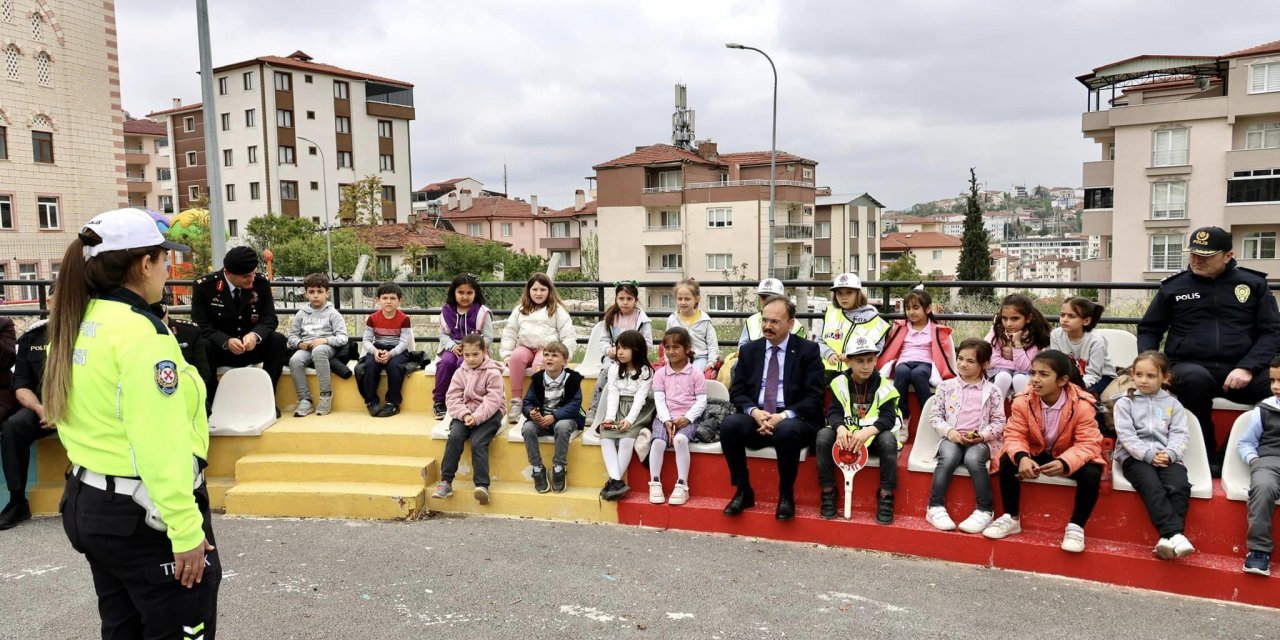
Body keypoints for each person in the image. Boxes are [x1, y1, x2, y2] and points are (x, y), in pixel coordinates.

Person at [44, 209, 219, 637]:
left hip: (92, 503)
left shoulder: (77, 320)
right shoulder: (141, 334)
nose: (167, 270)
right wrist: (185, 529)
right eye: (164, 259)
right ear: (144, 264)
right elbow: (161, 442)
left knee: (123, 629)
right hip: (145, 514)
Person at [1138, 226, 1280, 473]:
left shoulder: (1253, 284)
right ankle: (1207, 455)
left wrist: (1247, 367)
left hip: (1242, 366)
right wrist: (1151, 366)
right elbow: (1150, 328)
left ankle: (1232, 452)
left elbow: (1272, 331)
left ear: (1227, 256)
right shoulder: (1174, 286)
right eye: (1193, 254)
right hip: (1189, 365)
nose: (1196, 260)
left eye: (1205, 255)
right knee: (1194, 380)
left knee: (1273, 389)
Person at [983, 350, 1105, 553]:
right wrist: (1022, 457)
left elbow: (1089, 443)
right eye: (1033, 373)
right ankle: (1011, 517)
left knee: (1092, 472)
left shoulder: (1082, 405)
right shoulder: (1023, 400)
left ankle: (1076, 526)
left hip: (1068, 452)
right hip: (1036, 450)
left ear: (1062, 380)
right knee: (1007, 460)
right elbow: (1014, 434)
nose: (1035, 380)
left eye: (1044, 374)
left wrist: (1065, 462)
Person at [720, 295, 825, 521]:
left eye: (775, 322)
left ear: (791, 322)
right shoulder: (750, 351)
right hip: (758, 416)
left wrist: (783, 416)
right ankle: (743, 490)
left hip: (794, 418)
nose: (767, 326)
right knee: (729, 425)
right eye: (764, 320)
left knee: (787, 430)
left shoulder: (808, 350)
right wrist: (754, 412)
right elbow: (737, 393)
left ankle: (786, 495)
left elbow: (814, 397)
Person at [1113, 351, 1194, 560]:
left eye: (1150, 376)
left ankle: (1166, 540)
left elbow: (1179, 434)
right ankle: (1176, 534)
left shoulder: (1174, 405)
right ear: (1132, 374)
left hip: (1166, 456)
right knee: (1151, 484)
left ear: (1164, 378)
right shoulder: (1124, 402)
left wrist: (1168, 454)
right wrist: (1148, 454)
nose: (1143, 380)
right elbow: (1126, 435)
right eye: (1139, 374)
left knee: (1180, 486)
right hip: (1134, 457)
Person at [191, 245, 288, 414]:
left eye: (253, 273)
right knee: (202, 345)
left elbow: (269, 319)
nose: (251, 280)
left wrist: (255, 335)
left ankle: (268, 399)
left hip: (250, 346)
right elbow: (201, 324)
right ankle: (213, 402)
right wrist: (226, 341)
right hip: (221, 349)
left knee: (277, 340)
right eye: (245, 277)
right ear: (228, 273)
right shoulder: (205, 287)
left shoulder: (260, 283)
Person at [817, 335, 903, 523]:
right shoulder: (839, 383)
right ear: (848, 361)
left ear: (876, 360)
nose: (865, 366)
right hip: (846, 439)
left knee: (889, 440)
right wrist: (839, 429)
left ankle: (886, 496)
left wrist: (867, 432)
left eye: (870, 360)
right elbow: (833, 413)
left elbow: (888, 418)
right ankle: (828, 491)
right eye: (859, 361)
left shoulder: (885, 386)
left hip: (871, 438)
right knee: (823, 435)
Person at [925, 338, 1005, 534]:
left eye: (970, 361)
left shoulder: (993, 391)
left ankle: (985, 510)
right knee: (949, 457)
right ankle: (935, 507)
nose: (962, 364)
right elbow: (935, 415)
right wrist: (949, 432)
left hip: (979, 441)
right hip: (951, 438)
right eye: (960, 358)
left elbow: (999, 421)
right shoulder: (946, 386)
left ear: (984, 364)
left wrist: (983, 436)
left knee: (973, 458)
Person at [434, 334, 506, 504]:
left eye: (475, 354)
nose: (471, 359)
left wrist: (477, 417)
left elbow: (493, 400)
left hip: (489, 414)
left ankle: (482, 486)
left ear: (484, 352)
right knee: (454, 437)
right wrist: (465, 415)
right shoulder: (460, 372)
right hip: (465, 413)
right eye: (467, 355)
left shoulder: (493, 372)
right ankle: (446, 481)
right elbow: (452, 397)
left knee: (478, 442)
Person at [0, 303, 52, 530]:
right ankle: (18, 501)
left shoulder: (89, 334)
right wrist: (40, 409)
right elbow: (21, 384)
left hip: (80, 407)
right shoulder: (34, 336)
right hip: (41, 407)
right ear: (49, 304)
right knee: (13, 427)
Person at [501, 273, 577, 423]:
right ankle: (517, 401)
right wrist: (506, 354)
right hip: (525, 347)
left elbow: (568, 335)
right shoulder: (520, 310)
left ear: (549, 290)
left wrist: (566, 356)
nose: (538, 293)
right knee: (515, 358)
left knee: (540, 364)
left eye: (542, 289)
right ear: (528, 291)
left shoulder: (556, 310)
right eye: (535, 289)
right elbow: (510, 332)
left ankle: (539, 402)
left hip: (546, 349)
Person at [877, 286, 955, 423]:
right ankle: (902, 416)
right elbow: (891, 347)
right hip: (904, 361)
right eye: (908, 308)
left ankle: (931, 416)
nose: (911, 312)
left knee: (918, 374)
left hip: (925, 362)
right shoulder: (900, 327)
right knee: (901, 372)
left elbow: (944, 353)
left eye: (916, 307)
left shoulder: (936, 330)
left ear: (928, 309)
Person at [593, 330, 655, 501]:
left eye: (625, 348)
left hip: (638, 411)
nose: (619, 351)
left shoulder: (646, 372)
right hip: (618, 406)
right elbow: (613, 394)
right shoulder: (614, 369)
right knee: (606, 435)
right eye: (618, 347)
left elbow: (640, 399)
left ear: (637, 350)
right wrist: (610, 417)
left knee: (627, 438)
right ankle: (617, 481)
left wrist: (628, 420)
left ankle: (614, 482)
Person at [648, 327, 707, 506]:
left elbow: (701, 401)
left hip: (687, 418)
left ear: (687, 348)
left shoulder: (696, 374)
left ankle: (682, 484)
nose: (671, 351)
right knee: (657, 442)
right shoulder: (660, 374)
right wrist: (666, 420)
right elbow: (659, 400)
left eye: (676, 347)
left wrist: (687, 418)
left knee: (681, 440)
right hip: (664, 418)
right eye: (668, 347)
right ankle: (655, 482)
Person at [519, 341, 584, 494]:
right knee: (527, 428)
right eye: (546, 355)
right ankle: (537, 467)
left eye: (555, 355)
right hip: (542, 420)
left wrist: (555, 416)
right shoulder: (537, 379)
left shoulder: (573, 379)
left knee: (562, 427)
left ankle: (559, 467)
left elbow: (575, 404)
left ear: (565, 361)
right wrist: (531, 413)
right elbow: (527, 402)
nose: (549, 358)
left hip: (565, 419)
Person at [1236, 354, 1280, 576]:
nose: (1275, 387)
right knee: (1262, 489)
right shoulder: (1263, 409)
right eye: (1273, 381)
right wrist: (1254, 461)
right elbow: (1246, 443)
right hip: (1269, 461)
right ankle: (1259, 552)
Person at [586, 281, 652, 423]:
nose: (625, 302)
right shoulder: (611, 317)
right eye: (621, 298)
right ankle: (594, 408)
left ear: (636, 299)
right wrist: (609, 350)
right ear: (616, 299)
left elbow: (648, 344)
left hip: (635, 359)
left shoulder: (642, 319)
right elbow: (603, 341)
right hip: (614, 357)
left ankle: (634, 412)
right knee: (606, 372)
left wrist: (634, 353)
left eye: (629, 299)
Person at [286, 273, 348, 417]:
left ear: (327, 293)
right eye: (311, 292)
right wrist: (299, 343)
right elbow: (292, 336)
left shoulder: (333, 314)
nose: (315, 295)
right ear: (306, 294)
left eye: (320, 292)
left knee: (319, 351)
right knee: (295, 360)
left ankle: (326, 394)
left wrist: (325, 340)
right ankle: (305, 400)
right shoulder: (301, 314)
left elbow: (342, 337)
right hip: (307, 347)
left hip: (327, 347)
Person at [434, 273, 493, 420]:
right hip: (453, 347)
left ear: (475, 293)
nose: (464, 296)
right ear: (453, 292)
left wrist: (471, 349)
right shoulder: (447, 311)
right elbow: (443, 334)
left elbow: (488, 337)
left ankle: (464, 400)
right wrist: (452, 346)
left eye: (469, 293)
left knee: (464, 363)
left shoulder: (482, 312)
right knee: (446, 363)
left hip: (475, 351)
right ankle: (440, 401)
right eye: (460, 292)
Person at [814, 273, 889, 383]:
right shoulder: (831, 313)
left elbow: (877, 349)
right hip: (827, 371)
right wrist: (828, 353)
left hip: (857, 374)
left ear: (858, 294)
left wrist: (852, 356)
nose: (844, 297)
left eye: (849, 292)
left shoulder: (872, 317)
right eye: (839, 293)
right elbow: (819, 341)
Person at [985, 293, 1051, 399]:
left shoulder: (1034, 335)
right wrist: (1015, 363)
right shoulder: (997, 331)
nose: (1008, 323)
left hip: (1025, 374)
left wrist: (1017, 344)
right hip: (999, 372)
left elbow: (1027, 367)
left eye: (1015, 319)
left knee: (1019, 379)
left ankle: (1025, 412)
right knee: (1003, 377)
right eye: (1005, 318)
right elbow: (992, 361)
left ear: (1028, 318)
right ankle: (994, 412)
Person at [361, 282, 412, 418]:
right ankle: (372, 401)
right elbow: (366, 340)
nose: (388, 301)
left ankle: (393, 403)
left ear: (400, 301)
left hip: (397, 350)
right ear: (378, 300)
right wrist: (374, 352)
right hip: (378, 348)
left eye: (392, 298)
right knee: (370, 366)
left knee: (395, 367)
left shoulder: (404, 319)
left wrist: (391, 354)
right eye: (385, 298)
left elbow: (403, 342)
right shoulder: (372, 318)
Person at [1050, 296, 1115, 401]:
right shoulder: (1056, 335)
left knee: (1085, 398)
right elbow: (1057, 365)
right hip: (1072, 377)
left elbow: (1094, 374)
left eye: (1071, 316)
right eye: (1062, 315)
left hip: (1101, 378)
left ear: (1086, 321)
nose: (1064, 319)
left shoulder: (1096, 341)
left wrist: (1074, 388)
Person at [666, 278, 718, 373]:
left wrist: (711, 362)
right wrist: (667, 361)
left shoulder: (704, 319)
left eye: (687, 299)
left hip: (699, 358)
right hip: (677, 359)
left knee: (691, 374)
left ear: (697, 299)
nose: (683, 302)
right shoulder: (672, 319)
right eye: (679, 299)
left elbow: (712, 343)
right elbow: (666, 343)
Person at [737, 278, 805, 347]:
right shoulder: (751, 321)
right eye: (763, 297)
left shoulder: (796, 327)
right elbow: (742, 347)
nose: (767, 301)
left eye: (771, 297)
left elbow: (802, 351)